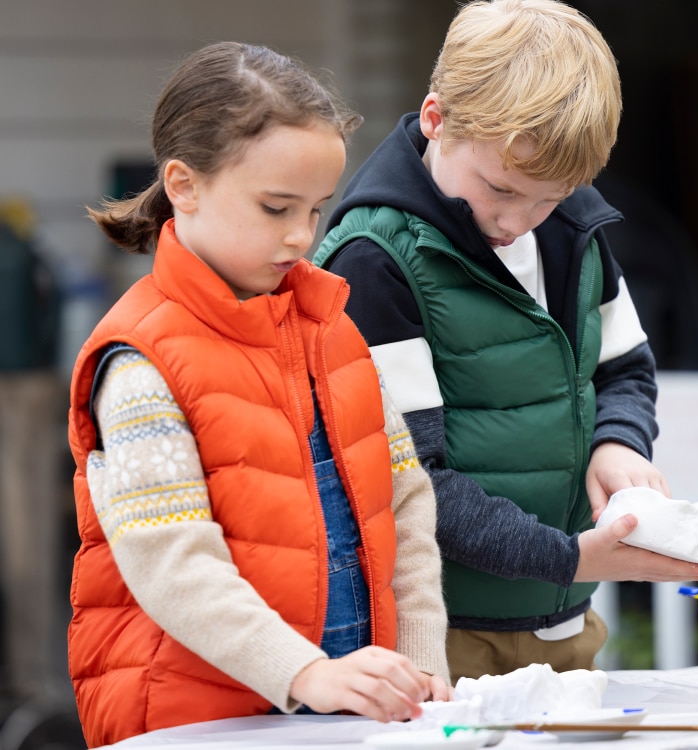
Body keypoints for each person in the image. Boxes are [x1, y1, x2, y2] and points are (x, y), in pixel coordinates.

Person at [313, 0, 698, 682]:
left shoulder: (575, 230)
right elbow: (409, 479)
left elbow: (626, 370)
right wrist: (571, 558)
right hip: (432, 635)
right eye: (500, 188)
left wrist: (618, 442)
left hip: (564, 622)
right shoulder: (374, 260)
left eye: (549, 198)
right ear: (437, 120)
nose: (519, 220)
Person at [67, 42, 451, 748]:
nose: (302, 237)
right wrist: (304, 671)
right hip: (194, 724)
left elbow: (407, 500)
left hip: (346, 715)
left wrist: (423, 660)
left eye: (315, 209)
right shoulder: (138, 362)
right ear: (183, 185)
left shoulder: (335, 330)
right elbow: (171, 560)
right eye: (277, 207)